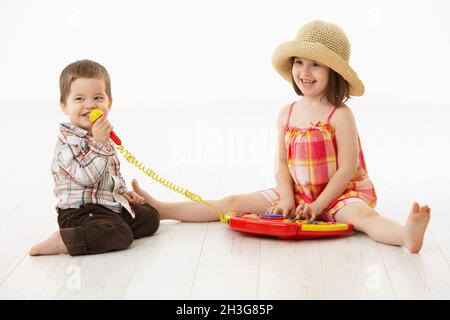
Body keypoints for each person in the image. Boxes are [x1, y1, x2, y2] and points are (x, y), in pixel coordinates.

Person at [131, 20, 431, 253]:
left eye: (316, 64)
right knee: (233, 200)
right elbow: (282, 166)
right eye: (299, 62)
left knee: (364, 217)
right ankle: (164, 208)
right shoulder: (287, 113)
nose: (305, 71)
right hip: (298, 192)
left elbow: (347, 169)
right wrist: (288, 198)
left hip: (338, 193)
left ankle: (405, 235)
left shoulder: (340, 115)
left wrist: (319, 205)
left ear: (334, 73)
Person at [29, 59, 160, 256]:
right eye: (79, 99)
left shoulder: (100, 135)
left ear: (109, 103)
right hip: (80, 212)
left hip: (106, 204)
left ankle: (112, 224)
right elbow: (88, 178)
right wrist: (100, 144)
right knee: (121, 235)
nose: (90, 105)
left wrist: (123, 192)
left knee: (150, 217)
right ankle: (64, 240)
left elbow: (110, 173)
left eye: (98, 97)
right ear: (64, 105)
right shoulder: (68, 143)